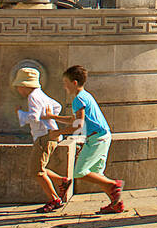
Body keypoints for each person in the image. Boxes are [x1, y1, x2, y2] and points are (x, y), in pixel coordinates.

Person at [48, 65, 124, 214]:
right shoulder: (86, 96)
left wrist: (58, 132)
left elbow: (78, 125)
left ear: (74, 83)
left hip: (96, 138)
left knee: (79, 172)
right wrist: (53, 117)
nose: (64, 86)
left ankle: (114, 184)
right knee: (97, 173)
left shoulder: (78, 99)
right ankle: (116, 203)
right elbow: (74, 120)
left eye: (65, 82)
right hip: (103, 136)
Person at [14, 67, 70, 213]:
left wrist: (20, 113)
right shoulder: (41, 94)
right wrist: (50, 116)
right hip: (50, 134)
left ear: (24, 86)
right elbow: (57, 106)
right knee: (39, 167)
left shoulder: (32, 97)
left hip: (43, 136)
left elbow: (33, 117)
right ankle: (61, 181)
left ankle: (54, 199)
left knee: (36, 170)